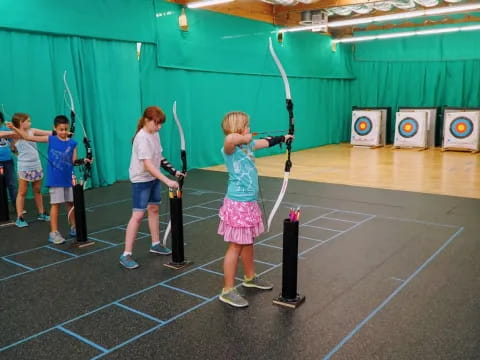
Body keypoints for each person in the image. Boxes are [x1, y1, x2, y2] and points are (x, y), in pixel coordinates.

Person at [218, 111, 293, 308]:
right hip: (237, 205)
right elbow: (230, 138)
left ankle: (250, 277)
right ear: (238, 129)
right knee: (235, 245)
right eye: (246, 126)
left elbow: (266, 141)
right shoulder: (229, 149)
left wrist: (284, 138)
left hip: (249, 204)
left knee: (248, 241)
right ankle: (227, 290)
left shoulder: (249, 145)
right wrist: (243, 137)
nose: (250, 129)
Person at [8, 115, 91, 244]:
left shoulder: (73, 143)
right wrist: (14, 128)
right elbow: (28, 137)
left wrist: (84, 160)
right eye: (60, 129)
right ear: (55, 128)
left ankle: (74, 227)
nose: (63, 132)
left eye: (65, 129)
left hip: (68, 178)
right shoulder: (50, 139)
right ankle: (53, 233)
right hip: (55, 179)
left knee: (71, 204)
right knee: (56, 205)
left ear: (68, 129)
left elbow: (73, 161)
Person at [119, 106, 183, 270]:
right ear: (147, 121)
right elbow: (147, 165)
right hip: (141, 180)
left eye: (160, 124)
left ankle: (155, 244)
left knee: (153, 209)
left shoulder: (155, 134)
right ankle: (126, 254)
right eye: (156, 123)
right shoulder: (141, 138)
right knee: (138, 215)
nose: (159, 127)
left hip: (153, 178)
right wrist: (167, 180)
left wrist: (173, 171)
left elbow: (158, 157)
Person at [10, 113, 50, 227]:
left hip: (36, 165)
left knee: (37, 190)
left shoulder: (33, 131)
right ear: (21, 123)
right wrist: (13, 129)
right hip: (24, 167)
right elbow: (11, 146)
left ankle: (42, 213)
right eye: (28, 121)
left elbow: (48, 132)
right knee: (22, 192)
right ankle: (20, 217)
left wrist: (61, 133)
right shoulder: (15, 134)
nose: (30, 122)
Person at [0, 112, 18, 210]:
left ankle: (17, 207)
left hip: (8, 160)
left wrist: (13, 148)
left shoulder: (6, 129)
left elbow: (13, 142)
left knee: (12, 184)